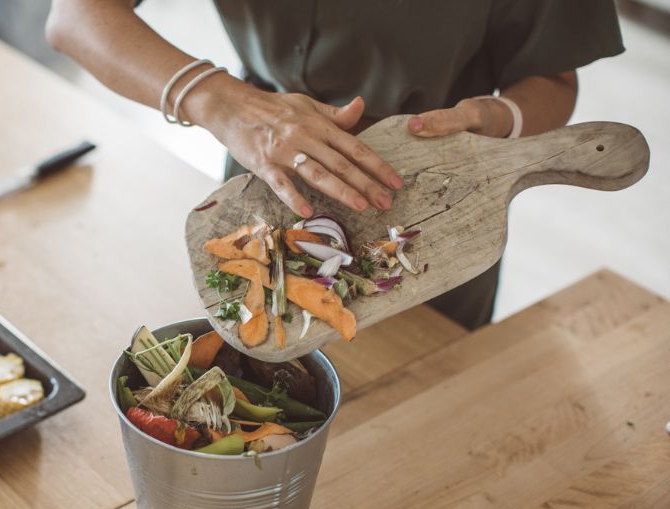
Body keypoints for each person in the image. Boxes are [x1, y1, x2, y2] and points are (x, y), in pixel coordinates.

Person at [46, 0, 624, 330]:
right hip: (265, 176)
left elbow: (552, 74)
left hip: (438, 204)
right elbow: (76, 15)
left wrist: (499, 118)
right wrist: (220, 101)